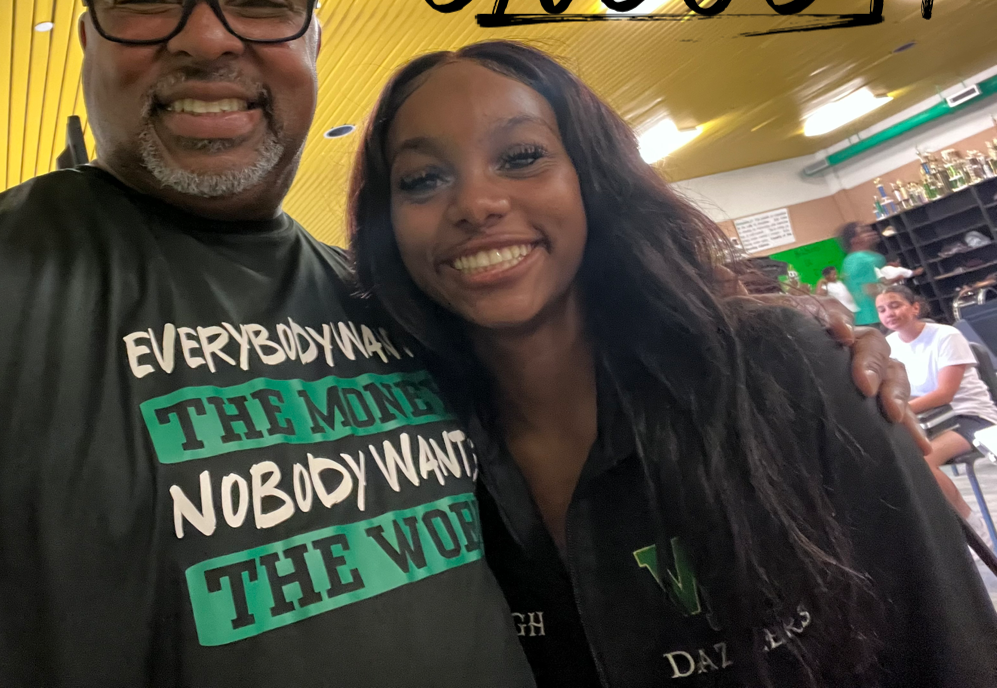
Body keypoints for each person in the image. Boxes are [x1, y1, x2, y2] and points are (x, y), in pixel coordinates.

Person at [0, 0, 908, 688]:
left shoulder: (400, 312)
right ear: (84, 42)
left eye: (260, 3)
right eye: (144, 1)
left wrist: (786, 355)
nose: (207, 37)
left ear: (311, 47)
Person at [349, 41, 997, 687]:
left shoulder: (782, 368)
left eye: (522, 157)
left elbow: (948, 643)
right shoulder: (411, 455)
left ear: (593, 181)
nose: (475, 203)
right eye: (423, 179)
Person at [878, 283, 997, 529]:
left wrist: (897, 410)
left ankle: (975, 530)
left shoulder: (946, 335)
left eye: (895, 305)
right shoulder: (888, 345)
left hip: (968, 416)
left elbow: (944, 394)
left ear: (915, 307)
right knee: (895, 459)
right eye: (881, 310)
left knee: (922, 462)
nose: (888, 313)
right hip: (928, 419)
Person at [837, 221, 884, 328]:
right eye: (864, 232)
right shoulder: (861, 259)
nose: (871, 233)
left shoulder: (852, 259)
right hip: (875, 318)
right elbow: (872, 289)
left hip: (869, 318)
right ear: (854, 240)